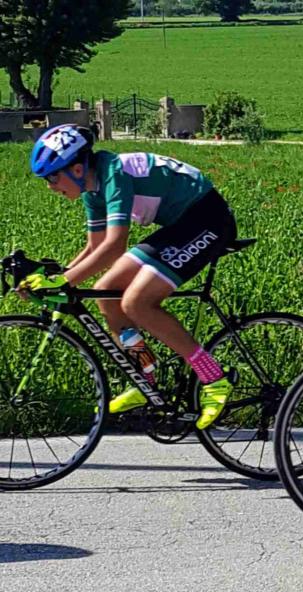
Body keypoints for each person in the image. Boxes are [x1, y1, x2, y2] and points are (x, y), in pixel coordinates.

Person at [19, 124, 234, 429]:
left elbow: (114, 246)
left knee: (137, 302)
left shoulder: (113, 174)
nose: (50, 186)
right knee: (106, 293)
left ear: (77, 169)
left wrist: (64, 281)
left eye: (52, 177)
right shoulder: (92, 189)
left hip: (207, 219)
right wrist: (56, 277)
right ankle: (146, 378)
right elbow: (95, 247)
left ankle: (214, 377)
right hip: (178, 226)